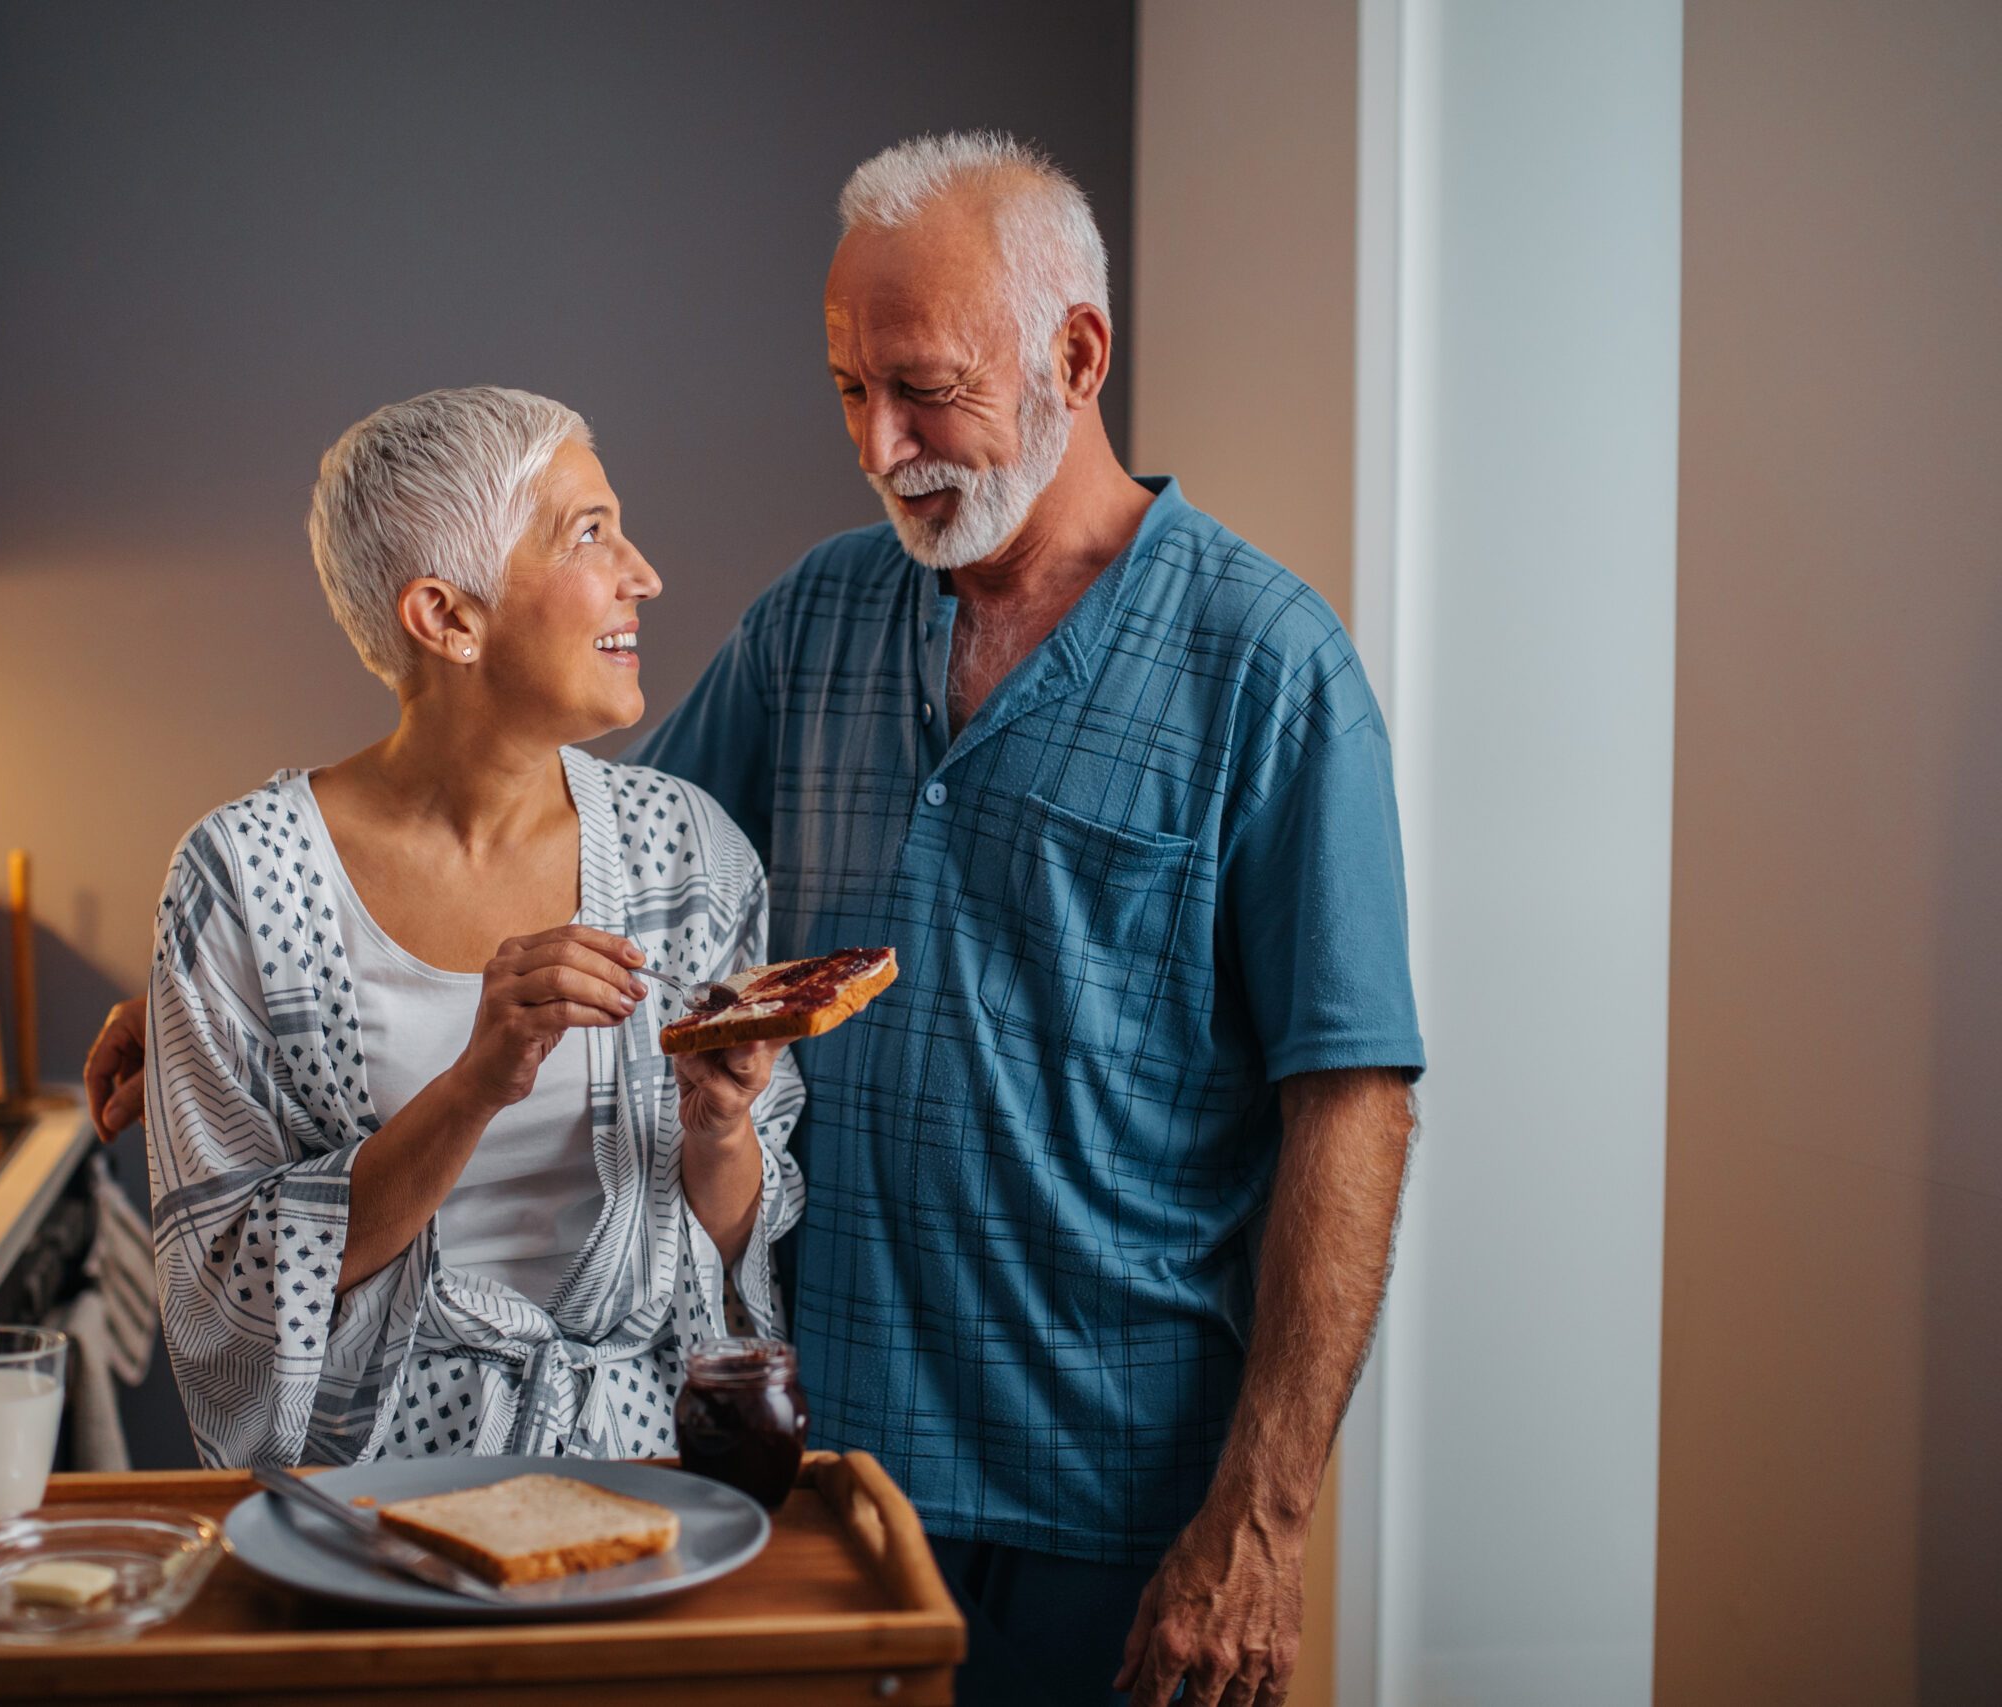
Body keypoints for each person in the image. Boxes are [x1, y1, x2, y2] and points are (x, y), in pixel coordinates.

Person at [96, 134, 1420, 1707]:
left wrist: (1260, 1520)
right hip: (814, 1471)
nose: (881, 440)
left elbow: (1351, 1099)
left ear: (1078, 352)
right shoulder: (819, 619)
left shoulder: (1269, 667)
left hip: (1115, 1490)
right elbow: (566, 846)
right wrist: (200, 987)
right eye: (849, 389)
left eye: (923, 387)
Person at [142, 385, 803, 1471]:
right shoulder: (239, 879)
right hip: (362, 1497)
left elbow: (740, 1243)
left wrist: (721, 1129)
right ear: (446, 617)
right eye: (589, 534)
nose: (643, 574)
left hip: (652, 1478)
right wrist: (474, 1082)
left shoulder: (687, 852)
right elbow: (223, 1290)